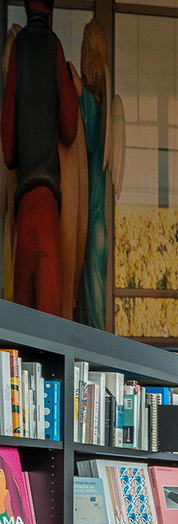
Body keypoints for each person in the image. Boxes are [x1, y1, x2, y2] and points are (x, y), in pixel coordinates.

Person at [2, 0, 79, 317]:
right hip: (48, 209)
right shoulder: (54, 46)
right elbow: (70, 128)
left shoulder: (17, 50)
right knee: (51, 330)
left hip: (23, 214)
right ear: (51, 9)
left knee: (21, 335)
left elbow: (8, 152)